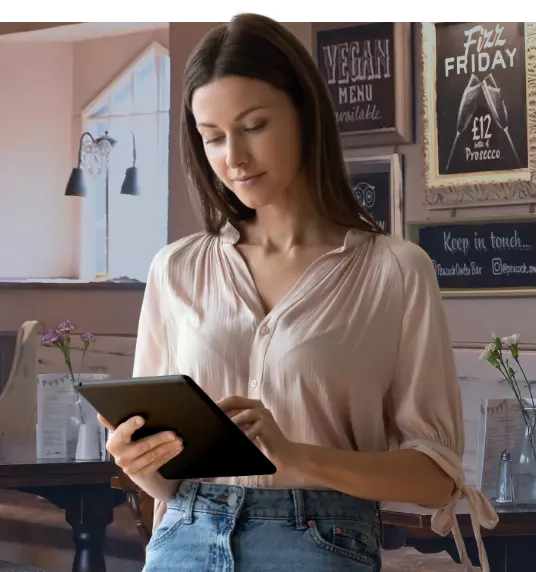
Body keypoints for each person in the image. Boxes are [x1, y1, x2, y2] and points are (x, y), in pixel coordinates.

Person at [100, 11, 498, 572]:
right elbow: (162, 479)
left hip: (322, 542)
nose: (233, 157)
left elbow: (435, 479)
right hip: (183, 538)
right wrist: (136, 458)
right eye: (212, 137)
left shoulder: (396, 271)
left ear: (305, 116)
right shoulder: (176, 269)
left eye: (254, 126)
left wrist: (296, 458)